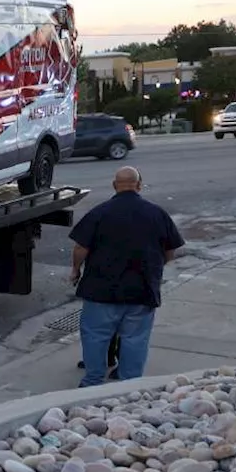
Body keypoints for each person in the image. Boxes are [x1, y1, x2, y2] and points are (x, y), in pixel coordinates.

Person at [69, 166, 184, 387]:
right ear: (139, 185)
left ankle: (93, 380)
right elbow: (170, 253)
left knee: (95, 336)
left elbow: (80, 248)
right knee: (135, 339)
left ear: (114, 186)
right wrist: (153, 270)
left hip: (100, 290)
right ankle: (129, 384)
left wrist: (76, 270)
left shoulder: (100, 212)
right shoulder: (157, 214)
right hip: (141, 290)